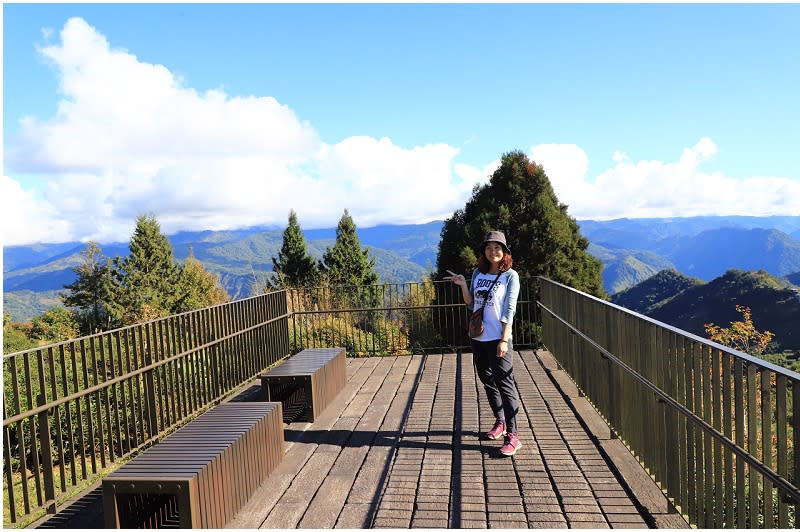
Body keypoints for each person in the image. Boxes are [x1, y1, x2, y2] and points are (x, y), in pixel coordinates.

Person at [444, 231, 522, 456]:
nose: (493, 252)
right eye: (489, 248)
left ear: (505, 251)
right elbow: (472, 304)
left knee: (505, 385)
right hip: (478, 337)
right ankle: (501, 421)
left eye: (498, 248)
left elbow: (510, 309)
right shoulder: (478, 272)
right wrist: (462, 285)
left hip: (499, 338)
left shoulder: (510, 276)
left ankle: (513, 436)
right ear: (484, 251)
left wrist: (504, 339)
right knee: (487, 380)